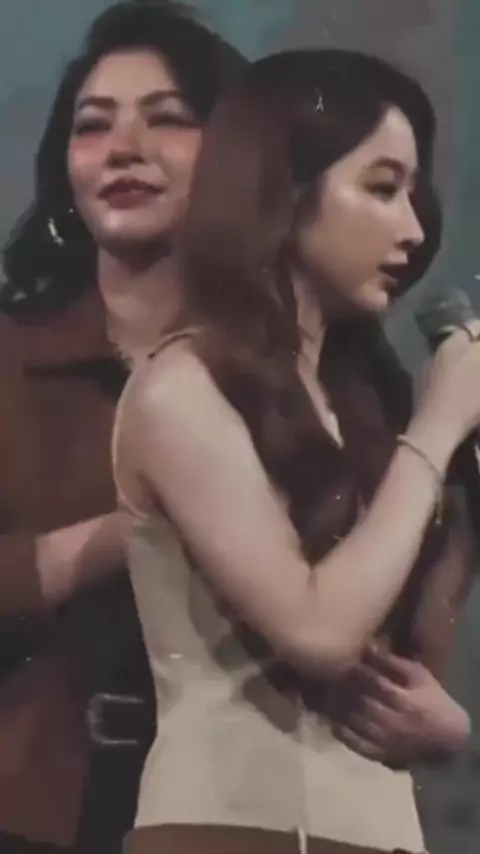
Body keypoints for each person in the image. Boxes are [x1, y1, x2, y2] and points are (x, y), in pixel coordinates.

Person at [102, 50, 480, 853]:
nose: (414, 230)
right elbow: (317, 631)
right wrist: (439, 424)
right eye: (382, 188)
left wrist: (447, 724)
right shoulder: (181, 390)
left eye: (415, 195)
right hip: (229, 828)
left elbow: (406, 650)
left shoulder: (372, 405)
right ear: (284, 192)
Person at [0, 2, 246, 852]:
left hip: (236, 810)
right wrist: (138, 524)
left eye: (167, 118)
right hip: (31, 809)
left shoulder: (298, 368)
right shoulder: (12, 356)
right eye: (93, 125)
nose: (123, 148)